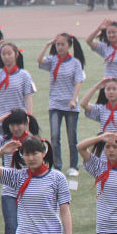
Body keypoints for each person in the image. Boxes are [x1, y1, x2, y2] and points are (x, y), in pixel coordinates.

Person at [36, 33, 86, 176]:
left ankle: (73, 166)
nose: (60, 47)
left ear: (69, 45)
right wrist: (47, 45)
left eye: (62, 44)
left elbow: (78, 82)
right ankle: (57, 165)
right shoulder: (52, 60)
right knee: (54, 136)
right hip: (55, 103)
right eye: (57, 44)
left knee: (72, 137)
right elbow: (39, 60)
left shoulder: (75, 63)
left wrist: (73, 99)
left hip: (70, 105)